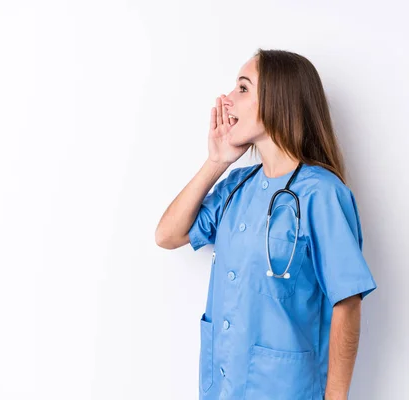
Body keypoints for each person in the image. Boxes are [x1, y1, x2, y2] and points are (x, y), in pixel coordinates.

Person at [155, 49, 377, 400]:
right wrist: (217, 162)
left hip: (285, 389)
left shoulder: (321, 193)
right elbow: (168, 235)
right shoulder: (237, 185)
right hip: (222, 387)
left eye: (242, 89)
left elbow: (347, 302)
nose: (227, 100)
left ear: (279, 101)